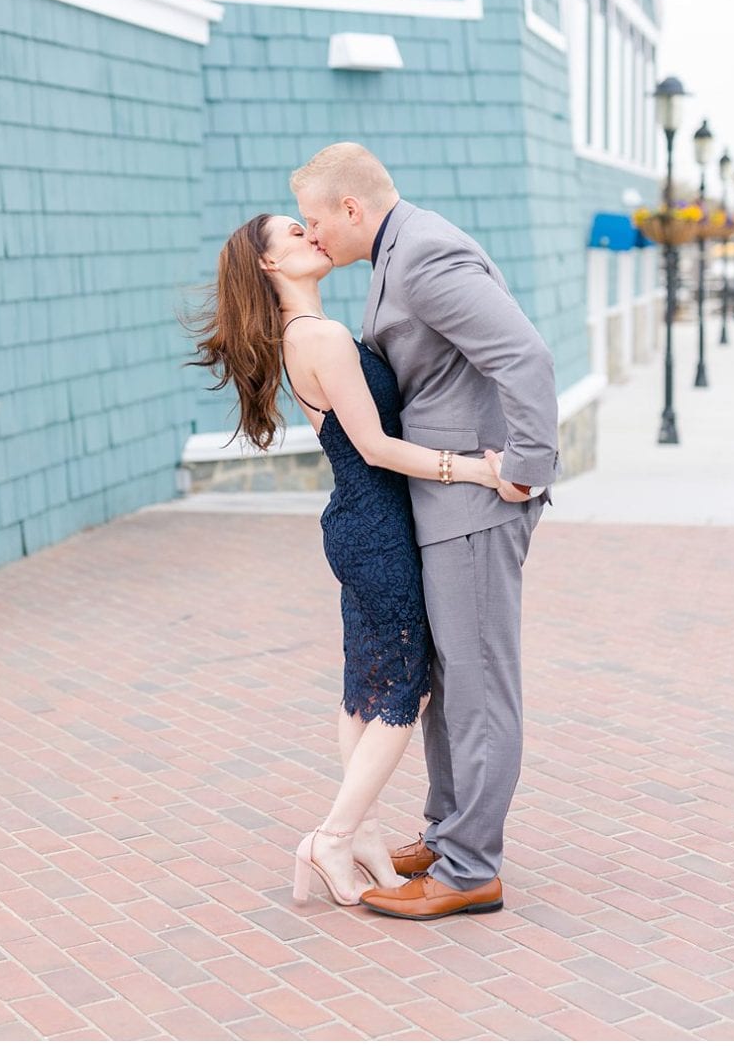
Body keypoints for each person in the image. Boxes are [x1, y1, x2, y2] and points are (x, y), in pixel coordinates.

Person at [187, 214, 509, 907]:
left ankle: (358, 832)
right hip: (378, 527)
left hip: (358, 525)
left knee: (364, 685)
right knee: (404, 689)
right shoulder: (323, 338)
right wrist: (480, 471)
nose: (312, 237)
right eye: (295, 234)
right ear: (271, 266)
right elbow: (378, 448)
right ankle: (333, 835)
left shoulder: (306, 336)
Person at [291, 142, 559, 921]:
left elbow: (525, 356)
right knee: (450, 678)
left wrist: (527, 465)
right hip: (440, 507)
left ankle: (472, 867)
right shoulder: (393, 256)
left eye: (316, 222)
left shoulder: (424, 255)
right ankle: (448, 835)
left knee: (477, 685)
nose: (313, 239)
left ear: (352, 208)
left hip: (477, 503)